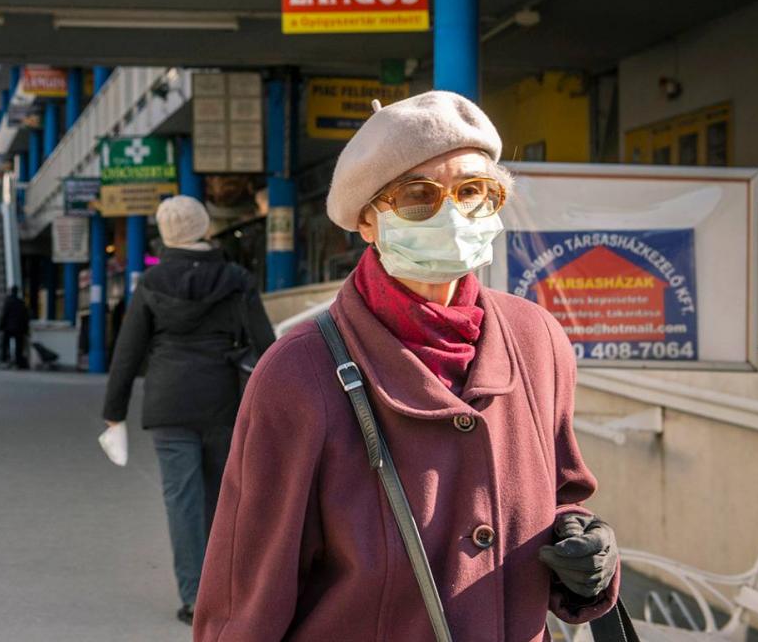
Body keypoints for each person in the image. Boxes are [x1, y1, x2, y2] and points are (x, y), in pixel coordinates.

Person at [194, 92, 621, 641]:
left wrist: (583, 550)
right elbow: (247, 590)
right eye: (418, 196)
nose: (452, 213)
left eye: (473, 191)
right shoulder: (299, 371)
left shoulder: (536, 338)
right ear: (367, 222)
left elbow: (560, 496)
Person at [103, 195, 275, 627]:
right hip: (223, 399)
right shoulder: (236, 278)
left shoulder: (152, 281)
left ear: (166, 232)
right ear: (204, 226)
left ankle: (195, 599)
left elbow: (128, 350)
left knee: (182, 501)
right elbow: (265, 344)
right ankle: (224, 592)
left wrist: (114, 410)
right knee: (222, 499)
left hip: (169, 402)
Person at [0, 286, 30, 369]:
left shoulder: (8, 302)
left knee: (5, 345)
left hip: (8, 327)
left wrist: (0, 326)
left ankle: (4, 360)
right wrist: (26, 330)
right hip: (19, 328)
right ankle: (17, 363)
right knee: (19, 346)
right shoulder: (21, 302)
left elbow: (4, 315)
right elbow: (25, 317)